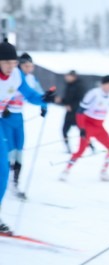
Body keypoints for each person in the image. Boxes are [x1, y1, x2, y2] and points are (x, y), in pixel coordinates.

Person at [0, 39, 54, 234]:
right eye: (6, 63)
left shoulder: (15, 75)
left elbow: (29, 94)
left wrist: (42, 99)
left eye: (14, 63)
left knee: (3, 171)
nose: (11, 67)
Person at [59, 75, 109, 182]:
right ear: (103, 84)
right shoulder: (93, 94)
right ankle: (66, 171)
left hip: (100, 127)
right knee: (81, 151)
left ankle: (104, 172)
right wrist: (82, 128)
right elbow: (80, 111)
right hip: (88, 126)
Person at [3, 53, 46, 200]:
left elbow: (35, 94)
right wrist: (5, 108)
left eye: (31, 66)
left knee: (19, 150)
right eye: (26, 66)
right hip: (5, 118)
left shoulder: (29, 79)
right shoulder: (13, 75)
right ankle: (6, 179)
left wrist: (44, 103)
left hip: (18, 116)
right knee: (8, 151)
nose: (29, 69)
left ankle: (14, 182)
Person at [61, 70, 87, 153]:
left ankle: (90, 146)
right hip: (69, 113)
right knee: (64, 130)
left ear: (73, 77)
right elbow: (67, 99)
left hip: (77, 113)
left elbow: (81, 100)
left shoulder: (79, 86)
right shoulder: (69, 85)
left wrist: (71, 106)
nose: (66, 78)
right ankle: (68, 147)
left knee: (82, 131)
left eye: (68, 76)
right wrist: (62, 101)